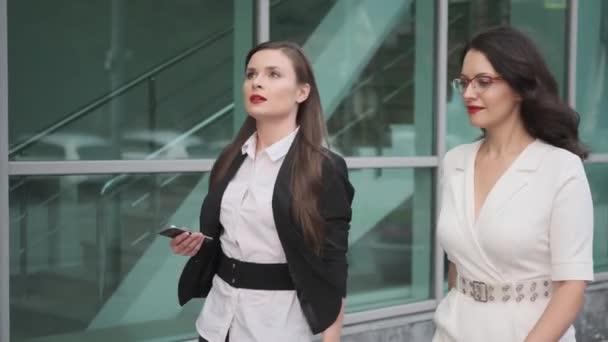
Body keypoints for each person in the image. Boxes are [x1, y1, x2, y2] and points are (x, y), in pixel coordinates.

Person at [170, 41, 354, 342]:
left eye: (273, 74)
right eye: (251, 73)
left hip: (278, 329)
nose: (257, 81)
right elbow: (229, 240)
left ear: (302, 92)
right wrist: (195, 245)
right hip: (217, 324)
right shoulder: (230, 159)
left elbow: (333, 262)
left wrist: (331, 339)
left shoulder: (324, 167)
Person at [433, 26, 594, 342]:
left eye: (484, 82)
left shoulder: (560, 168)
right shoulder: (455, 162)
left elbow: (572, 286)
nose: (468, 94)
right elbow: (458, 264)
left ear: (520, 88)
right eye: (464, 83)